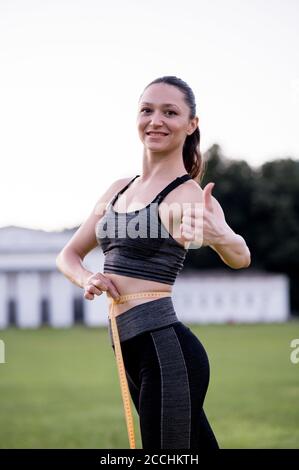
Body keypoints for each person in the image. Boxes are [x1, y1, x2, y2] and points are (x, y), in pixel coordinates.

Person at [56, 75, 251, 449]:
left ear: (191, 124)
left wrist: (220, 236)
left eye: (170, 112)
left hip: (164, 349)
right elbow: (68, 255)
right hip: (127, 347)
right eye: (147, 110)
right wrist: (85, 278)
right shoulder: (117, 190)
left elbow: (241, 256)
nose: (155, 120)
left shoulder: (187, 195)